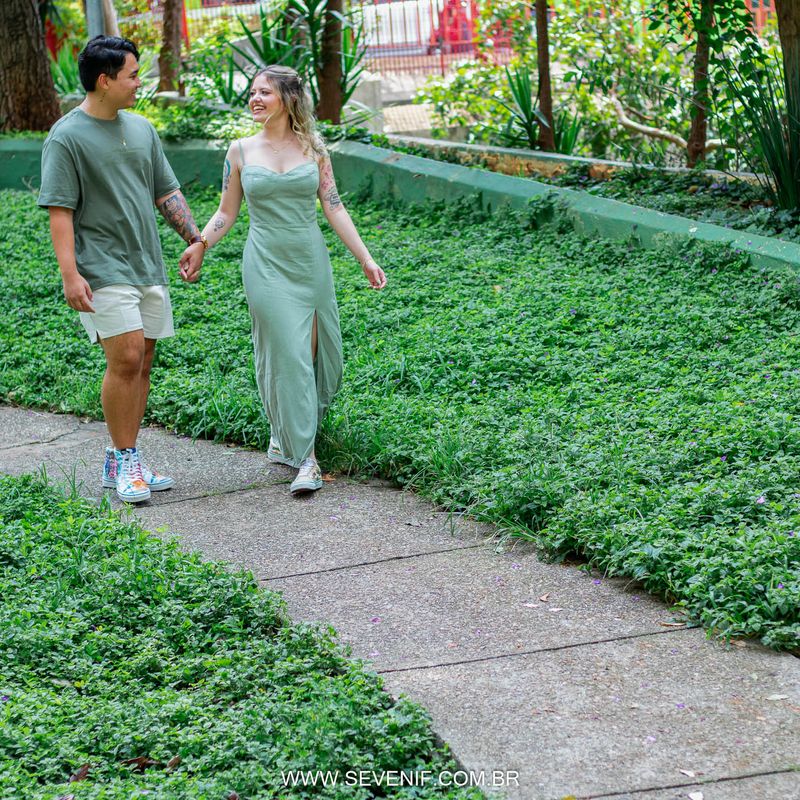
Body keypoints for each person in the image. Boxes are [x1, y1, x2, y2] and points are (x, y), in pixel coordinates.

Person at [182, 65, 386, 495]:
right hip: (265, 265)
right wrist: (200, 243)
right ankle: (305, 459)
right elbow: (226, 212)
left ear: (288, 99)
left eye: (265, 93)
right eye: (252, 93)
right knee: (289, 357)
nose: (255, 100)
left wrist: (365, 259)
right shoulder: (239, 151)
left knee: (315, 360)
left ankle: (289, 436)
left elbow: (334, 207)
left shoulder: (314, 149)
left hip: (309, 263)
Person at [39, 35, 206, 504]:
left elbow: (165, 191)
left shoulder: (142, 128)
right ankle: (127, 456)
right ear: (104, 79)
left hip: (147, 264)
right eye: (132, 74)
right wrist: (70, 275)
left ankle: (120, 455)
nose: (139, 82)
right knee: (127, 357)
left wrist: (193, 239)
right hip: (101, 267)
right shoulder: (66, 137)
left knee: (145, 361)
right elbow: (60, 211)